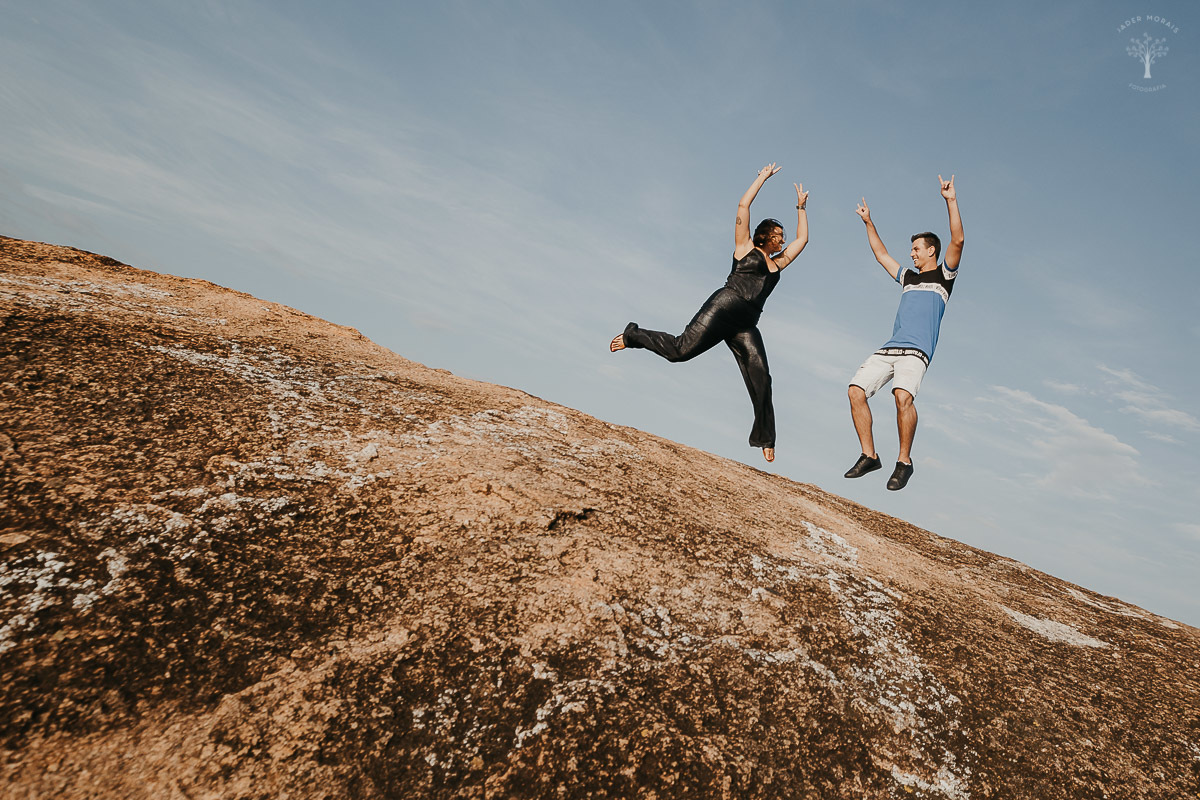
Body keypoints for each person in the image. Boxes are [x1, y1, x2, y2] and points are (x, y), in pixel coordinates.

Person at [610, 164, 809, 463]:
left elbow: (802, 241)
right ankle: (633, 335)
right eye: (778, 235)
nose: (783, 239)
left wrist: (801, 208)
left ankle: (765, 437)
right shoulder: (744, 248)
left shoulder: (777, 264)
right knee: (680, 351)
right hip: (723, 307)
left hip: (746, 324)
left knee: (762, 377)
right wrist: (761, 178)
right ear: (764, 236)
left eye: (783, 236)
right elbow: (743, 205)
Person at [843, 175, 964, 490]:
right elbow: (882, 255)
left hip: (917, 351)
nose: (911, 253)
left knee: (902, 397)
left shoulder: (944, 276)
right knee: (855, 391)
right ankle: (869, 456)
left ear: (931, 251)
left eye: (916, 249)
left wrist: (950, 200)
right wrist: (869, 223)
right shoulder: (908, 277)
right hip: (891, 348)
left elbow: (958, 240)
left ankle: (904, 462)